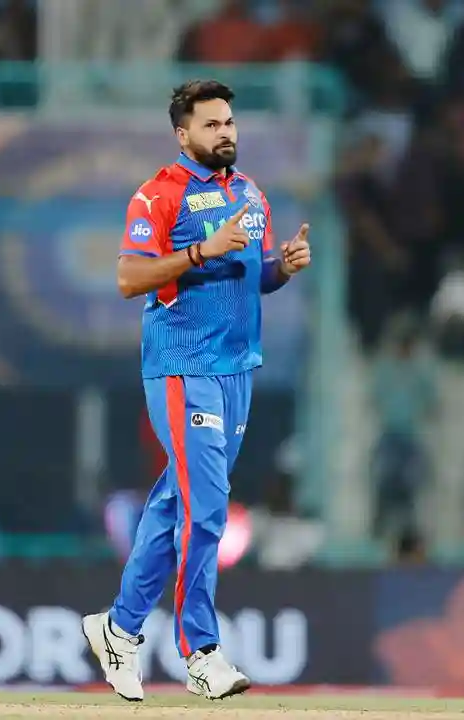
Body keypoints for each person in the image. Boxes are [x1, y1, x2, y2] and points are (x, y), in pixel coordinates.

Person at [81, 80, 312, 702]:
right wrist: (198, 250)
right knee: (209, 509)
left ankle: (118, 628)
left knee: (175, 506)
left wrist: (282, 267)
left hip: (238, 370)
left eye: (229, 122)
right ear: (183, 135)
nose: (225, 133)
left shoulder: (250, 193)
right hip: (184, 368)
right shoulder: (158, 194)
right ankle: (200, 653)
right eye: (211, 125)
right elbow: (129, 278)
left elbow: (252, 276)